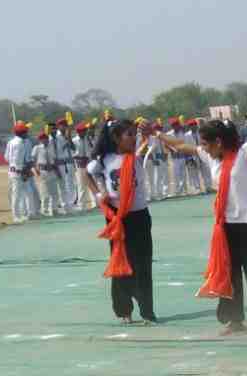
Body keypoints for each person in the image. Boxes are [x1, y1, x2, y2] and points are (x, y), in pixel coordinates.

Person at [158, 115, 247, 335]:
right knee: (230, 275)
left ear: (218, 142)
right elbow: (180, 145)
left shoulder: (244, 153)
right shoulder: (209, 158)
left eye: (206, 144)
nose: (203, 148)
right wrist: (156, 135)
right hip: (226, 228)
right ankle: (233, 319)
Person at [84, 120, 157, 325]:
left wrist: (147, 133)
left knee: (143, 264)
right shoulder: (105, 159)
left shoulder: (137, 155)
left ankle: (147, 311)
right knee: (120, 262)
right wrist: (99, 193)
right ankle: (124, 310)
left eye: (134, 134)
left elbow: (149, 142)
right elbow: (87, 173)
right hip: (117, 217)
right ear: (116, 138)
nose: (133, 138)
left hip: (139, 216)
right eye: (128, 135)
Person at [32, 130, 64, 217]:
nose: (44, 140)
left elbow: (55, 160)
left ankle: (54, 210)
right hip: (43, 171)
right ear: (39, 140)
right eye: (42, 139)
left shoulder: (52, 147)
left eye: (45, 138)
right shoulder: (37, 148)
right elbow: (33, 160)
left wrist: (58, 172)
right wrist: (36, 170)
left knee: (54, 193)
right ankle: (44, 210)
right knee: (44, 193)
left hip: (52, 171)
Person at [140, 120, 169, 201]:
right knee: (153, 177)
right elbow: (150, 150)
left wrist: (163, 156)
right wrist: (153, 158)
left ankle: (159, 193)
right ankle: (153, 194)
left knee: (159, 176)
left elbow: (160, 148)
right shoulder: (148, 138)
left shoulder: (157, 137)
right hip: (152, 159)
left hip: (159, 158)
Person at [185, 119, 214, 194]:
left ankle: (208, 187)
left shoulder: (202, 133)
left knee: (206, 171)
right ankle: (197, 189)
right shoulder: (187, 135)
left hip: (203, 153)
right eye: (191, 125)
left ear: (196, 125)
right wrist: (189, 158)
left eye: (194, 125)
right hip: (193, 154)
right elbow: (186, 146)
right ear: (189, 127)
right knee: (194, 173)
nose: (193, 127)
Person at [73, 122, 97, 210]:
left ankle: (95, 203)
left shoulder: (87, 139)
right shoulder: (74, 140)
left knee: (92, 183)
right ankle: (82, 205)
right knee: (81, 185)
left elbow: (91, 150)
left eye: (84, 131)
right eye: (82, 131)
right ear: (78, 132)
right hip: (79, 164)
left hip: (88, 162)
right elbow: (73, 154)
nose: (84, 132)